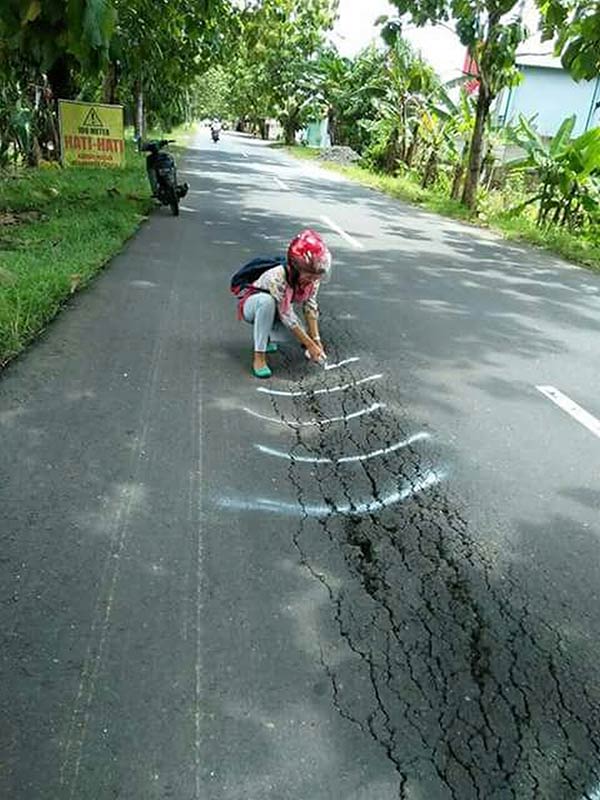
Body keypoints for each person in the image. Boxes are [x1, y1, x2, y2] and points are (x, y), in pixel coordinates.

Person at [234, 229, 331, 379]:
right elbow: (286, 314)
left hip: (277, 309)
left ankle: (267, 337)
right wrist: (310, 345)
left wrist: (316, 340)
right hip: (253, 305)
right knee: (267, 302)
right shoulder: (278, 276)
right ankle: (259, 356)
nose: (313, 280)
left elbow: (310, 307)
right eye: (309, 275)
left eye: (316, 276)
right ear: (296, 268)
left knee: (298, 334)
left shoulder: (314, 277)